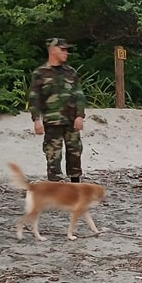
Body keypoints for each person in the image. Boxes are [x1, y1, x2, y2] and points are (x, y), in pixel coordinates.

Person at [28, 37, 87, 182]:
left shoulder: (70, 72)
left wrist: (80, 116)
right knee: (53, 153)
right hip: (52, 120)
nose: (66, 53)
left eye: (67, 50)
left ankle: (75, 184)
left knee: (75, 151)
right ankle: (55, 184)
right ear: (53, 50)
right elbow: (34, 98)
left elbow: (79, 95)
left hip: (71, 119)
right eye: (63, 49)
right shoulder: (40, 73)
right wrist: (36, 120)